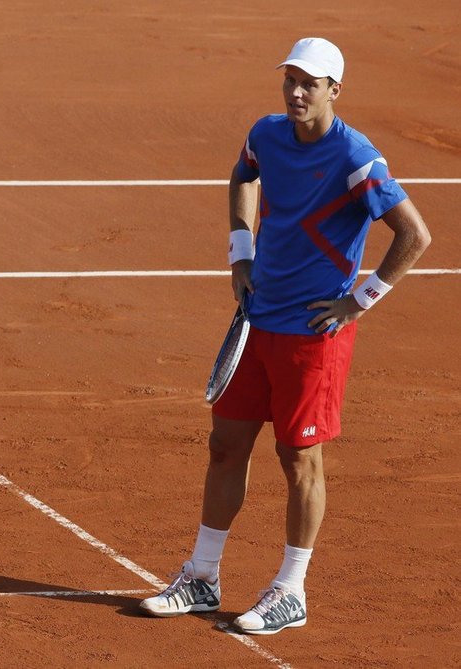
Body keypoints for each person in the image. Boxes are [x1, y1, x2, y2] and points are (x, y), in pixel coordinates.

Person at [139, 37, 431, 634]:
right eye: (290, 80)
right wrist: (240, 253)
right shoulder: (267, 135)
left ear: (334, 91)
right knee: (225, 446)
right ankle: (202, 576)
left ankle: (291, 589)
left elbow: (414, 235)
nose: (297, 93)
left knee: (299, 460)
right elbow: (243, 174)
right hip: (257, 319)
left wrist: (358, 301)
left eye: (310, 83)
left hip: (312, 335)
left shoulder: (357, 157)